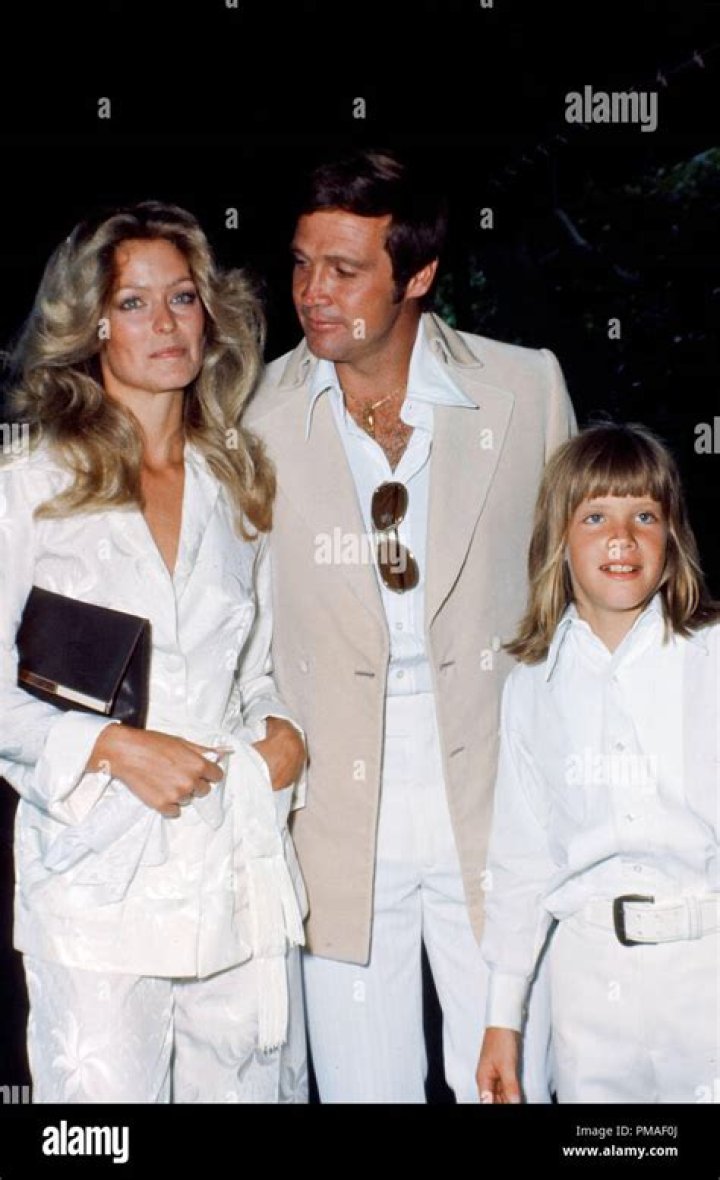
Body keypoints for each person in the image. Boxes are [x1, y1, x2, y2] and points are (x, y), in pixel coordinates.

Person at [244, 148, 576, 1102]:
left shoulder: (526, 388)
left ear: (418, 274)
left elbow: (577, 602)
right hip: (332, 817)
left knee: (512, 1088)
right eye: (302, 263)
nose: (312, 292)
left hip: (499, 811)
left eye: (345, 270)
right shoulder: (246, 413)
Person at [0, 201, 309, 1104]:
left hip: (231, 871)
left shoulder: (237, 479)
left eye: (182, 297)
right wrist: (107, 747)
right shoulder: (30, 480)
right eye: (133, 303)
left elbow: (253, 670)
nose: (165, 323)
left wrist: (282, 732)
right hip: (95, 882)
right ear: (92, 324)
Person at [476, 422, 720, 1104]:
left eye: (645, 515)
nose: (622, 538)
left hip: (705, 970)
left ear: (672, 539)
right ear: (558, 540)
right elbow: (520, 860)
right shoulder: (533, 686)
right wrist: (502, 1017)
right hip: (588, 986)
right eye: (595, 517)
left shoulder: (711, 658)